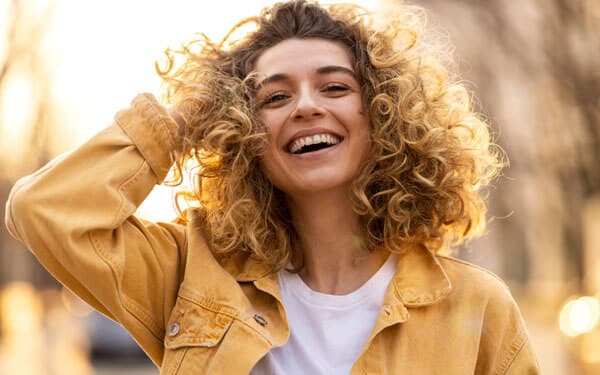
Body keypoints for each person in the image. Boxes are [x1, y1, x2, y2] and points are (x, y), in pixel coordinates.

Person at [5, 0, 540, 373]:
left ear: (384, 116)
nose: (306, 106)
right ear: (243, 131)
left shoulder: (474, 304)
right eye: (274, 98)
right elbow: (43, 211)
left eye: (334, 87)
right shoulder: (191, 276)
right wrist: (188, 118)